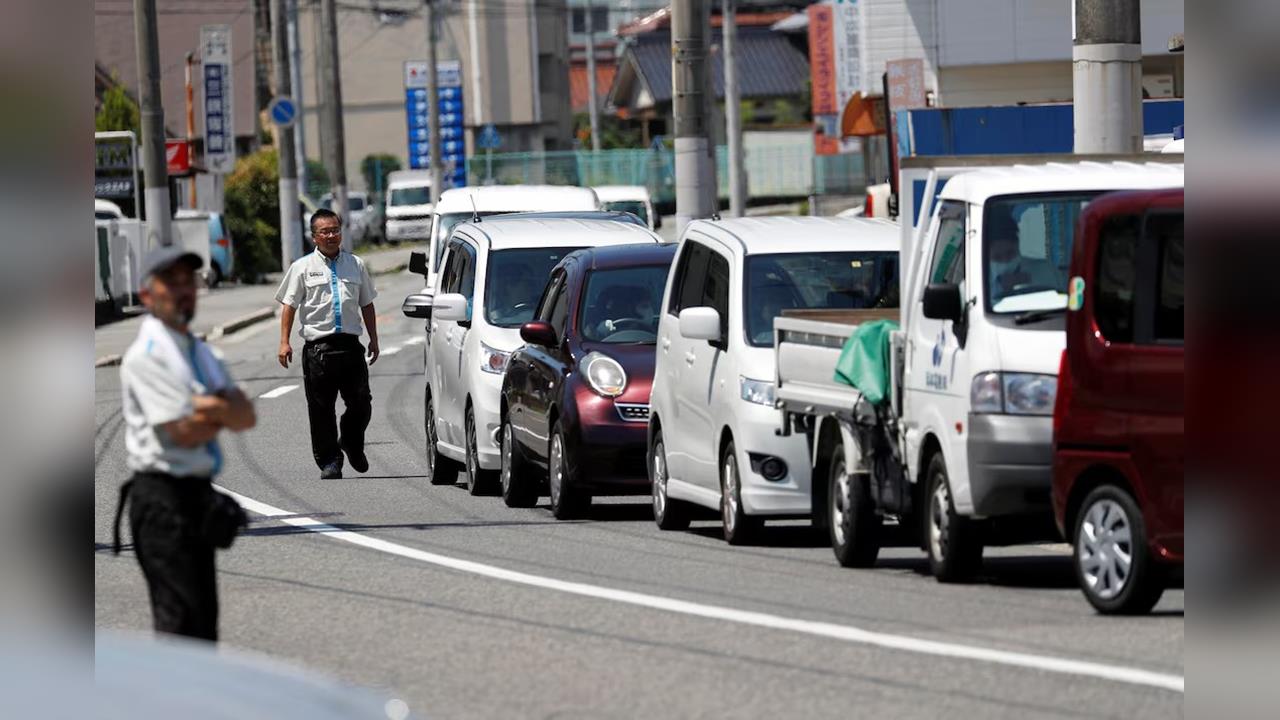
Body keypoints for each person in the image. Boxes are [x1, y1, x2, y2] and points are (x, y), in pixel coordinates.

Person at [116, 246, 257, 641]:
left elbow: (246, 417)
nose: (183, 291)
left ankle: (189, 702)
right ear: (147, 296)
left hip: (196, 496)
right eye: (171, 283)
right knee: (179, 631)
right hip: (161, 501)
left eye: (188, 282)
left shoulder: (200, 352)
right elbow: (181, 431)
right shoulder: (147, 356)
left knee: (203, 627)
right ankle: (169, 704)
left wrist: (200, 406)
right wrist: (219, 407)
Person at [276, 208, 380, 480]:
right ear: (314, 237)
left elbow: (366, 303)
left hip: (350, 346)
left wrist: (374, 340)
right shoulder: (302, 268)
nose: (331, 235)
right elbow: (289, 305)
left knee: (361, 403)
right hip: (318, 350)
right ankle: (330, 461)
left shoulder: (355, 264)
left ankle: (351, 441)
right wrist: (284, 342)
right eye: (325, 231)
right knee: (321, 409)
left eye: (335, 230)